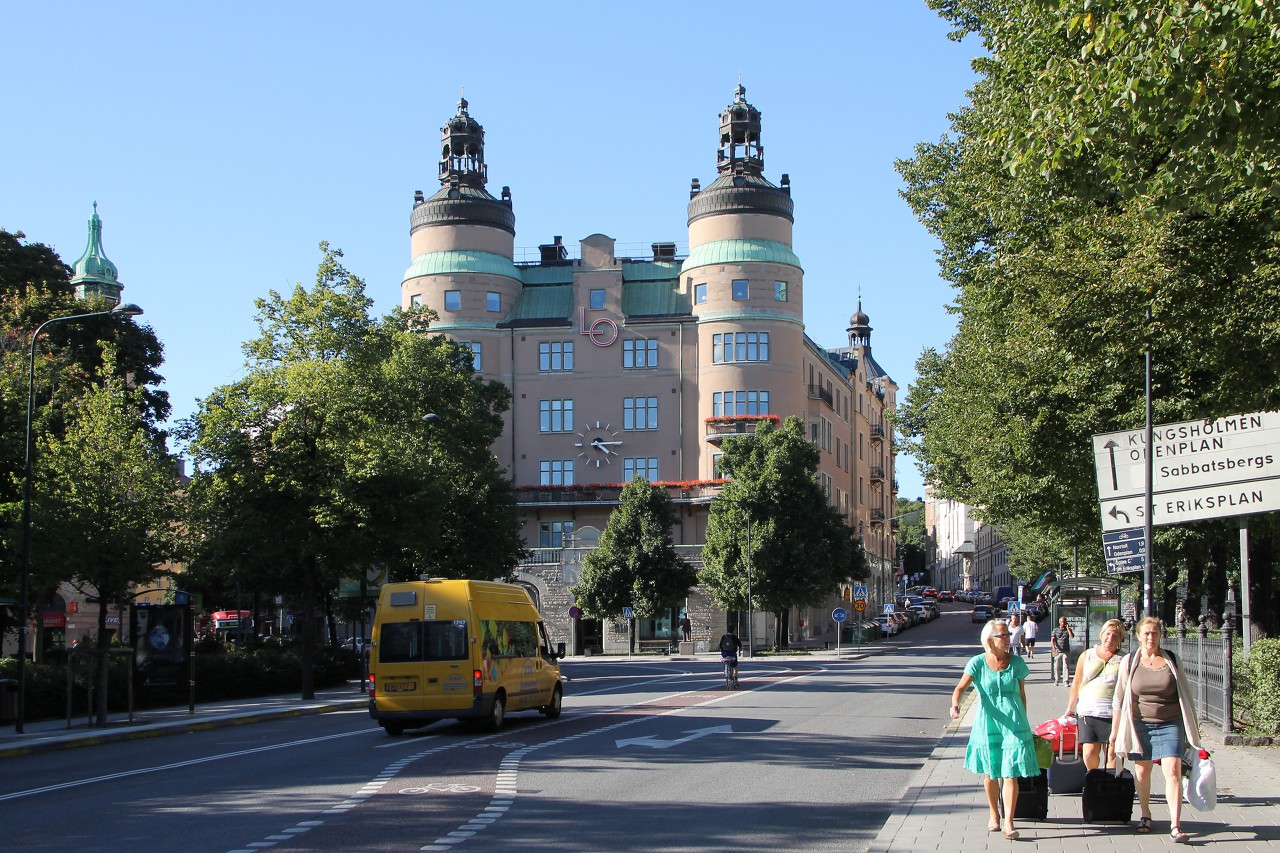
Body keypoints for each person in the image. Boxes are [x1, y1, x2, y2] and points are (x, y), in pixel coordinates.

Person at [1110, 617, 1205, 843]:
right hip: (1139, 723)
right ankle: (1145, 815)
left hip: (1170, 722)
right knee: (1142, 771)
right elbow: (1119, 698)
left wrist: (1192, 726)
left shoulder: (1172, 660)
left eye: (1154, 633)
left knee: (1173, 770)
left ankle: (1175, 824)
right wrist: (1114, 733)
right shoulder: (1130, 661)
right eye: (1146, 633)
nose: (1150, 637)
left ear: (1161, 635)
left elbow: (1185, 693)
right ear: (1139, 636)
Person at [949, 619, 1040, 840]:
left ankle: (1009, 822)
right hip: (987, 722)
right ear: (990, 639)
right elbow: (960, 688)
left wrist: (1024, 722)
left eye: (1008, 634)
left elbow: (1022, 694)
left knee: (1010, 773)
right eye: (1003, 635)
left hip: (1014, 722)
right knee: (991, 772)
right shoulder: (977, 663)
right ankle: (994, 814)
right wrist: (955, 705)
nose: (1008, 638)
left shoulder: (1017, 663)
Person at [1064, 618, 1123, 769]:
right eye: (1108, 634)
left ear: (1120, 639)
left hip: (1113, 713)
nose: (1110, 638)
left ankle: (1110, 785)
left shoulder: (1124, 659)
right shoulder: (1088, 655)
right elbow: (1076, 683)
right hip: (1088, 711)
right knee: (1089, 752)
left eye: (1115, 636)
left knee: (1111, 753)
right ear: (1102, 634)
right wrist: (1070, 709)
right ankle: (1093, 782)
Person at [1049, 617, 1075, 686]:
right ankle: (1057, 680)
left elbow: (1072, 636)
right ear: (1060, 622)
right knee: (1056, 666)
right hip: (1057, 650)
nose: (1064, 623)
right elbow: (1052, 639)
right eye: (1063, 622)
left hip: (1066, 650)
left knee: (1066, 666)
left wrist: (1068, 628)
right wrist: (1053, 647)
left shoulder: (1068, 630)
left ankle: (1066, 681)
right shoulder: (1055, 630)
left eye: (1065, 622)